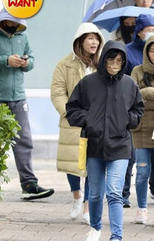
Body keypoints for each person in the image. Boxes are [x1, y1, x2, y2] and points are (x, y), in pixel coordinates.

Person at [66, 40, 144, 241]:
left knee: (114, 192)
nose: (115, 63)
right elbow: (72, 110)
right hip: (94, 145)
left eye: (120, 60)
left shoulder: (129, 84)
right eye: (111, 59)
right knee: (94, 194)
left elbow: (138, 110)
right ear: (104, 59)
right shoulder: (88, 83)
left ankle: (116, 236)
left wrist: (128, 120)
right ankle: (95, 227)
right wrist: (90, 120)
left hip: (120, 145)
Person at [0, 8, 55, 200]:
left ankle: (29, 184)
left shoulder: (23, 37)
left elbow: (32, 60)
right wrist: (6, 60)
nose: (14, 25)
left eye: (17, 22)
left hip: (19, 98)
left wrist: (25, 63)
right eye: (11, 21)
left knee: (24, 140)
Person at [50, 23, 104, 224]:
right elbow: (57, 92)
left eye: (96, 38)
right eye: (90, 38)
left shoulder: (102, 64)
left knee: (93, 165)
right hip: (72, 122)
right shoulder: (64, 64)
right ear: (80, 41)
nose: (94, 42)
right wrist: (70, 113)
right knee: (72, 164)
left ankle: (88, 208)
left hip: (97, 123)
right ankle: (76, 197)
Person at [130, 34, 154, 228]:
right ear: (146, 52)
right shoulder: (137, 71)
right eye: (152, 51)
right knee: (142, 171)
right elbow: (133, 97)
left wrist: (146, 93)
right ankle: (142, 208)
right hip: (141, 129)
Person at [122, 13, 154, 207]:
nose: (153, 34)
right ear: (139, 33)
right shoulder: (128, 52)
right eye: (149, 31)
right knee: (130, 156)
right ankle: (124, 194)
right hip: (133, 111)